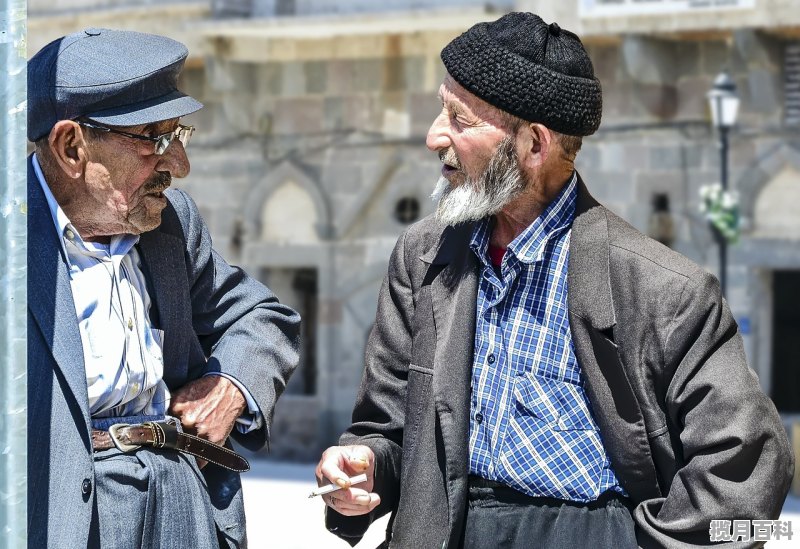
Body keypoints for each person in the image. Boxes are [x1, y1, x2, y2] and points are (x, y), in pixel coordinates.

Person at [316, 12, 794, 549]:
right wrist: (362, 467)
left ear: (535, 145)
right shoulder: (423, 258)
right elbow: (386, 429)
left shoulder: (664, 290)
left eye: (460, 118)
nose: (433, 137)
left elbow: (746, 462)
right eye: (439, 109)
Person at [27, 28, 301, 548]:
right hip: (61, 518)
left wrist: (231, 387)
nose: (179, 165)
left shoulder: (170, 224)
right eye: (155, 139)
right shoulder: (11, 246)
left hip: (180, 505)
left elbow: (260, 315)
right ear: (71, 146)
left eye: (180, 136)